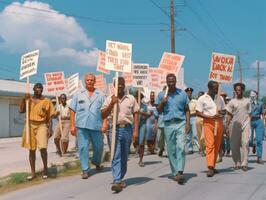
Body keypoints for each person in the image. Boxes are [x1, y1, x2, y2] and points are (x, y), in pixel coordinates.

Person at [101, 77, 139, 192]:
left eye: (122, 84)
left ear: (125, 85)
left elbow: (136, 115)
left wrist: (135, 131)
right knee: (115, 154)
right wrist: (112, 104)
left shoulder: (131, 98)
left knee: (124, 155)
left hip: (127, 129)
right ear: (114, 86)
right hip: (114, 130)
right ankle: (117, 180)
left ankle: (121, 177)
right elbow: (103, 115)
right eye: (118, 84)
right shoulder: (109, 99)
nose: (120, 86)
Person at [156, 73, 190, 184]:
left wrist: (188, 123)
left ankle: (180, 171)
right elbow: (159, 111)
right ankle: (175, 172)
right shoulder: (161, 95)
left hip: (180, 123)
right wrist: (162, 103)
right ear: (167, 82)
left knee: (180, 147)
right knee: (171, 150)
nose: (171, 83)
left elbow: (187, 109)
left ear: (176, 81)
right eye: (169, 81)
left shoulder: (182, 94)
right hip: (168, 124)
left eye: (173, 81)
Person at [69, 73, 105, 179]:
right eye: (88, 80)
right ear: (85, 81)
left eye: (92, 80)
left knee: (99, 147)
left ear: (95, 81)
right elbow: (72, 109)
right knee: (83, 147)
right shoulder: (78, 94)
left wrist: (105, 123)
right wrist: (72, 125)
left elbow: (105, 110)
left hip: (96, 125)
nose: (90, 82)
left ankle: (96, 161)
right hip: (82, 125)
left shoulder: (101, 94)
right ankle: (85, 169)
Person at [19, 83, 55, 180]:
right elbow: (21, 110)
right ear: (33, 89)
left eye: (41, 88)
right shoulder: (28, 100)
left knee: (43, 147)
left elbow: (50, 116)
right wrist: (24, 99)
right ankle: (33, 173)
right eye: (37, 88)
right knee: (31, 149)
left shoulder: (46, 101)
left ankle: (45, 170)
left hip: (42, 125)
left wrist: (50, 129)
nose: (39, 90)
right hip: (30, 125)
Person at [196, 81, 225, 177]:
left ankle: (213, 164)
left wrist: (221, 112)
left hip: (219, 122)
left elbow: (224, 110)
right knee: (210, 145)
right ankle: (210, 167)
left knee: (217, 145)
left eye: (218, 88)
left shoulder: (220, 98)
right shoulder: (202, 98)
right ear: (209, 88)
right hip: (208, 123)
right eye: (215, 88)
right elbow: (198, 112)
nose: (217, 90)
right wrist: (210, 117)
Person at [226, 83, 251, 171]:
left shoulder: (247, 101)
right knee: (234, 145)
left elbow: (249, 113)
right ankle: (237, 162)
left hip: (245, 124)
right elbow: (229, 114)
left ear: (243, 90)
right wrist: (226, 126)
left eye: (239, 90)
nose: (238, 91)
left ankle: (245, 163)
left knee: (245, 142)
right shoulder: (232, 102)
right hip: (235, 125)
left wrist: (249, 124)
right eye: (236, 90)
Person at [249, 90, 265, 164]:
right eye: (251, 94)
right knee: (249, 140)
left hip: (258, 121)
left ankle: (259, 157)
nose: (252, 95)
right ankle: (253, 145)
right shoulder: (248, 103)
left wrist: (263, 123)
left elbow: (262, 114)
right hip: (250, 121)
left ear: (256, 95)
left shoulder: (260, 103)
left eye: (253, 94)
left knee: (259, 140)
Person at [185, 87, 200, 154]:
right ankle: (190, 148)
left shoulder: (195, 101)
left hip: (193, 118)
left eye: (190, 93)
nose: (189, 94)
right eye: (188, 93)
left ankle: (200, 147)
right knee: (188, 135)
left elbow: (197, 111)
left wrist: (190, 113)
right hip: (186, 119)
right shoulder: (184, 101)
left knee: (195, 134)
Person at [196, 91, 205, 157]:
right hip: (198, 120)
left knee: (204, 136)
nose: (200, 96)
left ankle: (205, 149)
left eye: (201, 95)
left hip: (205, 120)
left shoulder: (206, 102)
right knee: (199, 136)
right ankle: (201, 149)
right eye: (199, 95)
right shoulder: (196, 102)